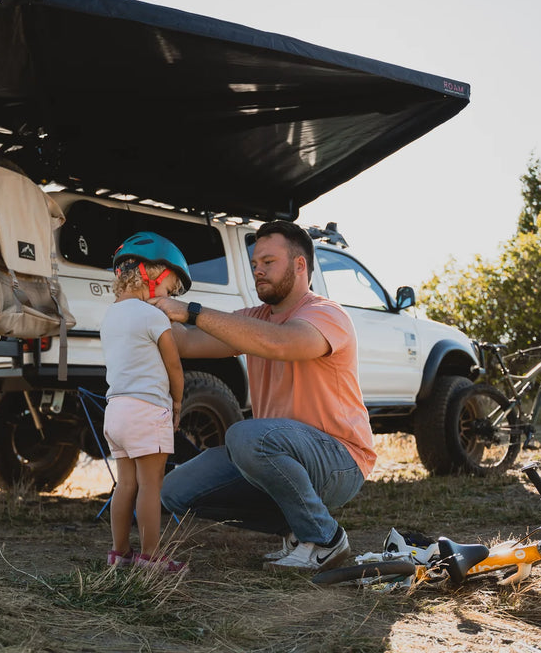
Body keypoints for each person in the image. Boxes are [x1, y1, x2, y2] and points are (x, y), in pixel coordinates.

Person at [149, 220, 375, 573]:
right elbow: (186, 341)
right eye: (254, 264)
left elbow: (279, 342)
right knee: (175, 490)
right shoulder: (252, 320)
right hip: (279, 455)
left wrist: (193, 311)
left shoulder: (326, 314)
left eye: (268, 263)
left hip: (339, 460)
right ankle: (298, 532)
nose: (257, 271)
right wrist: (141, 304)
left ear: (300, 266)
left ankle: (326, 540)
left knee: (245, 434)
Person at [100, 232, 190, 573]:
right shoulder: (154, 316)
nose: (170, 297)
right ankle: (152, 557)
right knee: (152, 485)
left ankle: (119, 553)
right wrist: (178, 403)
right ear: (153, 275)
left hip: (116, 412)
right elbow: (174, 366)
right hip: (147, 409)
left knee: (125, 485)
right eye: (171, 289)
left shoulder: (110, 316)